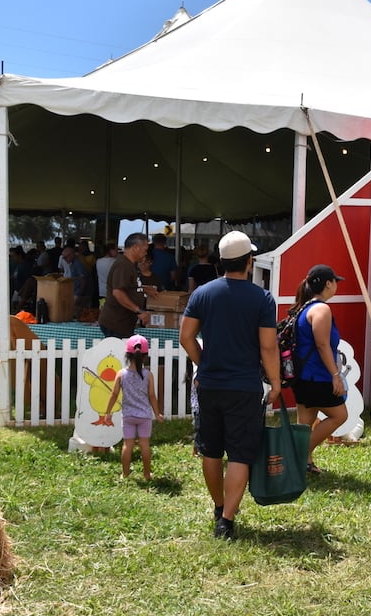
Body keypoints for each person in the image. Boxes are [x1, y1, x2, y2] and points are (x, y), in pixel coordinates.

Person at [179, 231, 280, 540]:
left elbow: (185, 337)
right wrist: (275, 382)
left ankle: (218, 505)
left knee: (211, 451)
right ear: (249, 262)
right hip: (245, 387)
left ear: (220, 262)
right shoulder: (261, 298)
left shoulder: (203, 294)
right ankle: (227, 520)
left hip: (209, 383)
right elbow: (268, 347)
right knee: (239, 453)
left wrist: (203, 361)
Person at [292, 264, 349, 474]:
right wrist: (335, 375)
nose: (336, 285)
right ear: (328, 284)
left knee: (304, 424)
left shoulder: (305, 307)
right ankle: (297, 454)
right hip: (316, 377)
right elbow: (322, 344)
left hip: (303, 376)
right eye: (335, 281)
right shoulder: (321, 309)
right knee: (340, 415)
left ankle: (304, 464)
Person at [102, 335, 164, 480]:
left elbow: (114, 394)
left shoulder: (121, 374)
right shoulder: (148, 375)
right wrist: (157, 413)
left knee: (127, 445)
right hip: (144, 416)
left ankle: (125, 473)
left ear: (127, 355)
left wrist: (108, 412)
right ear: (145, 357)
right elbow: (152, 396)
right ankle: (147, 474)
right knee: (145, 445)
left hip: (128, 416)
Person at [98, 233, 154, 339]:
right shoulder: (123, 265)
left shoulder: (129, 264)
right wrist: (138, 310)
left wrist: (143, 289)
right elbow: (118, 292)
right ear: (136, 248)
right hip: (116, 322)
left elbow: (128, 287)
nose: (145, 253)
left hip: (123, 322)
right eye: (144, 250)